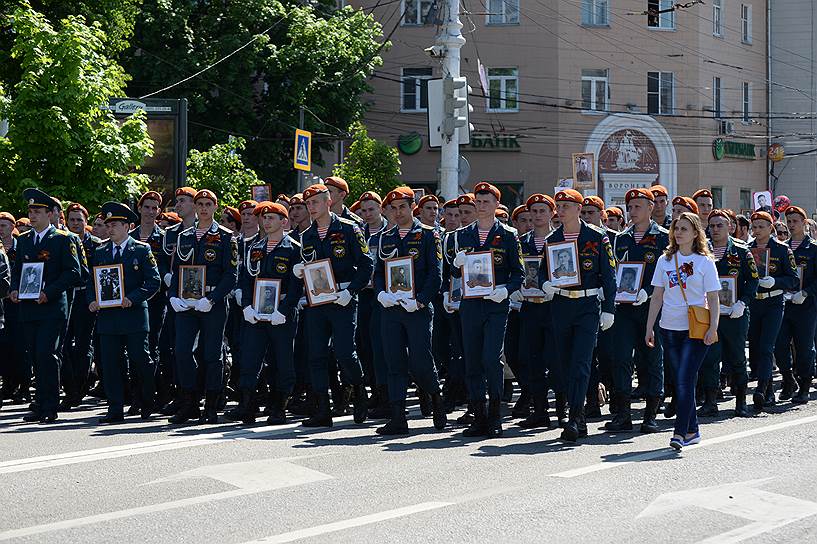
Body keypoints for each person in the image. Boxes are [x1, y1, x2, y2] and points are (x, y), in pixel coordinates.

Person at [538, 189, 616, 442]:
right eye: (558, 206)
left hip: (587, 305)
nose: (560, 210)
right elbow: (541, 272)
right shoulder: (553, 239)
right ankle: (575, 413)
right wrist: (545, 284)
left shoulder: (597, 236)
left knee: (581, 363)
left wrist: (609, 309)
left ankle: (575, 417)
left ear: (578, 208)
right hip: (561, 305)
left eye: (566, 206)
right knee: (563, 364)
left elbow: (609, 275)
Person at [295, 183, 373, 427]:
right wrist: (299, 272)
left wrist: (351, 292)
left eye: (315, 202)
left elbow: (367, 264)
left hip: (342, 299)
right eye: (308, 204)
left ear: (328, 202)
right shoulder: (306, 235)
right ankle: (322, 409)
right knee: (316, 355)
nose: (311, 207)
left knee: (344, 351)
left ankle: (359, 390)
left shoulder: (349, 229)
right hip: (317, 301)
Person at [451, 182, 523, 438]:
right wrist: (456, 262)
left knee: (491, 358)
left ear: (496, 205)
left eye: (486, 202)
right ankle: (478, 414)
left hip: (495, 304)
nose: (481, 206)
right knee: (471, 360)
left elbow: (519, 273)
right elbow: (451, 272)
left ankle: (495, 415)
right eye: (478, 202)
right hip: (470, 304)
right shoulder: (463, 234)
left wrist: (505, 290)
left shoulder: (508, 234)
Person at [373, 187, 446, 435]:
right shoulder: (386, 236)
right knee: (394, 362)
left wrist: (422, 300)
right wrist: (381, 293)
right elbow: (379, 272)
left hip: (417, 308)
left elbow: (436, 275)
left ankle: (436, 396)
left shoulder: (427, 235)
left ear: (412, 207)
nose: (397, 212)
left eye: (402, 207)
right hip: (392, 309)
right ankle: (398, 417)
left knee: (421, 360)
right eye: (393, 208)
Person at [645, 212, 720, 450]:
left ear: (696, 233)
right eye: (676, 229)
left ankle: (679, 433)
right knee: (681, 380)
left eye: (684, 229)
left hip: (696, 329)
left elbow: (713, 298)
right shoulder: (664, 260)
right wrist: (650, 327)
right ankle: (693, 430)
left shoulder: (704, 262)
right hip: (669, 327)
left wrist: (713, 328)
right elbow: (657, 296)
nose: (678, 233)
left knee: (684, 381)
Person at [10, 188, 82, 423]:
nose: (33, 215)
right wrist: (14, 290)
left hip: (51, 307)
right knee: (34, 355)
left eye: (38, 211)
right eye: (30, 211)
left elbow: (73, 273)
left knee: (46, 354)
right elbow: (19, 270)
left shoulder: (64, 239)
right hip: (29, 308)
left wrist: (48, 292)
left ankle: (50, 404)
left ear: (50, 213)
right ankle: (39, 402)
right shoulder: (24, 240)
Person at [228, 201, 303, 425]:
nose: (266, 221)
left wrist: (285, 309)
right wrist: (247, 305)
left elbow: (296, 285)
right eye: (264, 217)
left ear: (284, 221)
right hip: (257, 312)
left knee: (283, 361)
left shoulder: (294, 249)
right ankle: (248, 405)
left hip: (281, 313)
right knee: (250, 358)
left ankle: (279, 407)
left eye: (272, 217)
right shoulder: (255, 248)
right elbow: (246, 278)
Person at [168, 189, 238, 424]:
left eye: (209, 204)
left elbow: (231, 275)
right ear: (195, 208)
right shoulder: (185, 236)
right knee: (182, 351)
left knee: (212, 354)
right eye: (200, 204)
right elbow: (176, 270)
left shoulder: (227, 237)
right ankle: (189, 402)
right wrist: (172, 297)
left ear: (215, 207)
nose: (204, 208)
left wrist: (212, 299)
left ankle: (210, 405)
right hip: (186, 302)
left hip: (212, 303)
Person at [87, 202, 160, 423]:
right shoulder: (100, 251)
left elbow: (153, 281)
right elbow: (92, 281)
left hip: (134, 315)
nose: (110, 229)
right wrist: (92, 300)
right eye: (108, 225)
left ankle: (147, 402)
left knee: (141, 360)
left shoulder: (140, 249)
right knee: (110, 364)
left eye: (115, 225)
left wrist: (133, 298)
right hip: (108, 317)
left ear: (127, 226)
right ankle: (115, 408)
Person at [606, 188, 669, 434]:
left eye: (638, 207)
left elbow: (668, 273)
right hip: (624, 308)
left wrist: (650, 291)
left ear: (650, 208)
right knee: (621, 358)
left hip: (651, 307)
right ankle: (623, 413)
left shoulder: (663, 237)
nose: (632, 212)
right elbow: (614, 270)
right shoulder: (620, 238)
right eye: (630, 207)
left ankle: (651, 414)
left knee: (652, 357)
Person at [699, 209, 758, 418]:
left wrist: (743, 302)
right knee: (710, 358)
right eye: (712, 226)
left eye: (719, 225)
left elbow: (753, 281)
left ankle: (741, 401)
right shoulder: (702, 251)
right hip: (710, 314)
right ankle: (710, 401)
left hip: (734, 315)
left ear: (730, 227)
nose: (715, 229)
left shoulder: (741, 251)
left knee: (737, 357)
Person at [513, 193, 557, 428]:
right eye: (534, 211)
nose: (538, 216)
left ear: (552, 213)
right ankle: (539, 410)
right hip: (530, 307)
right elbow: (515, 271)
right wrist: (517, 289)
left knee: (555, 359)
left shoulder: (560, 240)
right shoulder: (522, 242)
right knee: (531, 359)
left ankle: (562, 409)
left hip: (554, 307)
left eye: (543, 211)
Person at [747, 211, 799, 411]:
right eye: (755, 226)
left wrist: (775, 281)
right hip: (754, 303)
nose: (758, 230)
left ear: (771, 228)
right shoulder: (747, 249)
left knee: (767, 346)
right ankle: (767, 389)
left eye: (762, 226)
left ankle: (762, 390)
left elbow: (793, 278)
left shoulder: (781, 250)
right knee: (756, 346)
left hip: (774, 302)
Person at [130, 191, 170, 410]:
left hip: (155, 301)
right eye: (147, 207)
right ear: (139, 209)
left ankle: (150, 394)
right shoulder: (130, 235)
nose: (150, 212)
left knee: (151, 347)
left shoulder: (164, 238)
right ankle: (136, 395)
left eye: (155, 208)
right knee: (133, 348)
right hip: (131, 301)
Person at [774, 206, 817, 404]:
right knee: (780, 345)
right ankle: (788, 379)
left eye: (795, 221)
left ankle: (805, 385)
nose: (791, 225)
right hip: (784, 304)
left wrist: (806, 292)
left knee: (804, 347)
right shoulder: (783, 248)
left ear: (804, 223)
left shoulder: (813, 248)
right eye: (788, 221)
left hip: (805, 306)